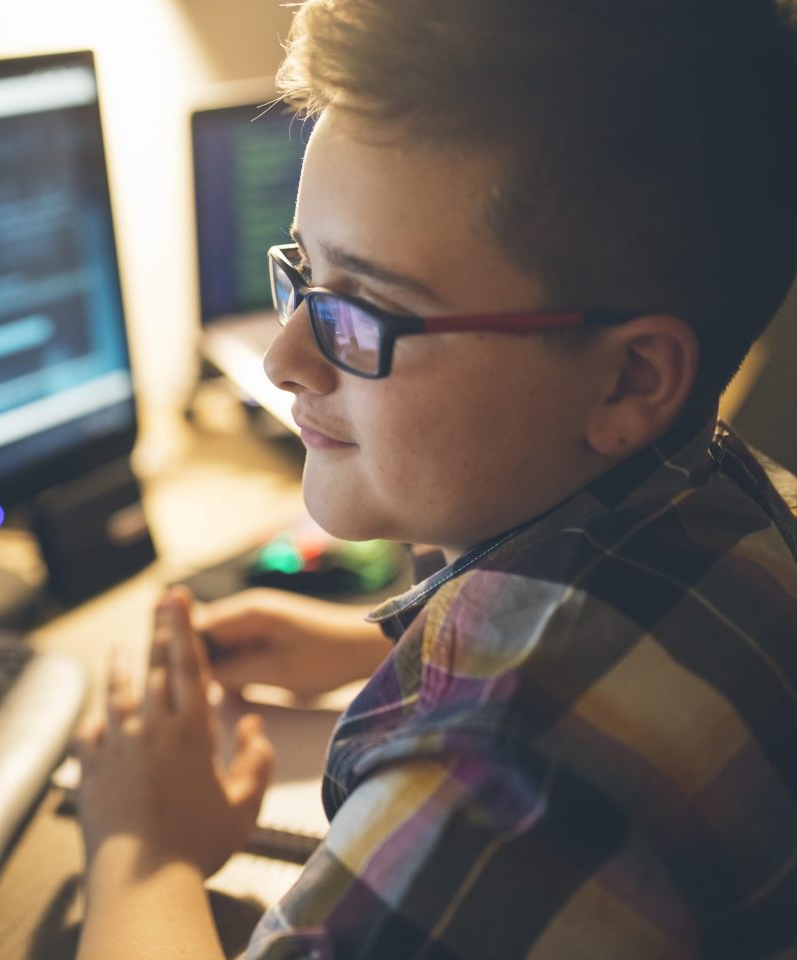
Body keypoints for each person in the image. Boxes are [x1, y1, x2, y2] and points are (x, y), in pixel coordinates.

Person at [74, 0, 797, 957]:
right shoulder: (739, 493)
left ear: (629, 379)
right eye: (302, 276)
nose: (287, 358)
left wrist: (142, 848)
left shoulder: (500, 786)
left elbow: (530, 741)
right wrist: (367, 646)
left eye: (364, 309)